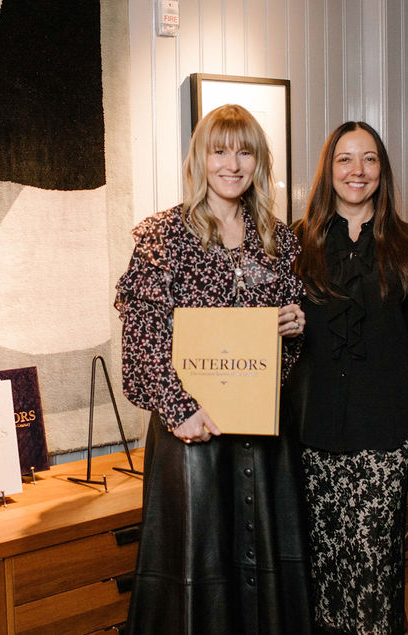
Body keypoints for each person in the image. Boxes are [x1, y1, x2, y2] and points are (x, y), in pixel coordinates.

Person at [115, 104, 311, 634]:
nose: (232, 163)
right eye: (219, 150)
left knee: (262, 565)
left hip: (262, 437)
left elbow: (283, 345)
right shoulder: (163, 236)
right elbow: (143, 338)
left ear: (259, 161)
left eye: (244, 150)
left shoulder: (276, 237)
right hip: (191, 437)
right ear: (200, 158)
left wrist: (293, 323)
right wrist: (181, 410)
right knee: (198, 567)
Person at [292, 121, 408, 633]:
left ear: (382, 169)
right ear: (329, 170)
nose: (358, 170)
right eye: (345, 159)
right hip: (314, 431)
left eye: (369, 159)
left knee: (376, 564)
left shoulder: (406, 242)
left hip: (386, 428)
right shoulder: (297, 242)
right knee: (325, 563)